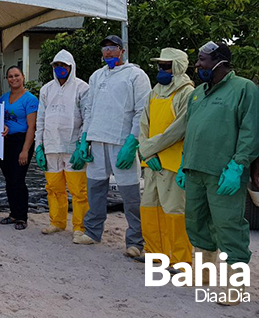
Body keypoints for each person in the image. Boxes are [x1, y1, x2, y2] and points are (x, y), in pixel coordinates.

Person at [178, 41, 259, 305]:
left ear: (220, 62)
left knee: (229, 227)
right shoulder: (198, 93)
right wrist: (183, 163)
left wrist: (239, 164)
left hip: (224, 172)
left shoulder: (244, 89)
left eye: (202, 60)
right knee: (197, 223)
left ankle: (235, 288)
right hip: (195, 170)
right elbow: (191, 131)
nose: (198, 65)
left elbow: (251, 130)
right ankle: (203, 273)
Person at [73, 35, 151, 260]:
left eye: (112, 48)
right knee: (95, 191)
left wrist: (132, 141)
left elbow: (141, 111)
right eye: (105, 48)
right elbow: (91, 109)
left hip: (121, 143)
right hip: (97, 140)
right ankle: (92, 232)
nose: (108, 52)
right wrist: (84, 138)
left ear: (122, 50)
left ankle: (136, 241)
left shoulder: (136, 75)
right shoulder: (97, 76)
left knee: (130, 195)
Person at [137, 48, 194, 269]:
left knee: (175, 213)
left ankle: (181, 261)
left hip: (171, 162)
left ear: (178, 66)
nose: (161, 69)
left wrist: (148, 149)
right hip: (151, 163)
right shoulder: (155, 91)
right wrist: (146, 151)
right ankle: (155, 255)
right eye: (160, 65)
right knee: (150, 208)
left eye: (166, 65)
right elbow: (144, 124)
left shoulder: (187, 93)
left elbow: (177, 130)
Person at [35, 50, 90, 239]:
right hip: (50, 147)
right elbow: (40, 120)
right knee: (53, 188)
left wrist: (82, 144)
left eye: (63, 66)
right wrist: (38, 146)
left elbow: (87, 118)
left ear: (71, 67)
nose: (60, 69)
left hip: (72, 147)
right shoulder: (46, 89)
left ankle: (80, 227)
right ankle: (56, 222)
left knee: (78, 191)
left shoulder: (82, 88)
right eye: (56, 66)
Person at [0, 67, 37, 229]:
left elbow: (31, 127)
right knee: (9, 179)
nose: (14, 79)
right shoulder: (3, 98)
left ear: (23, 77)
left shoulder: (30, 99)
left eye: (16, 76)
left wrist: (25, 150)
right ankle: (13, 214)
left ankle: (22, 216)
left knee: (18, 179)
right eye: (10, 76)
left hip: (22, 141)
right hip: (6, 142)